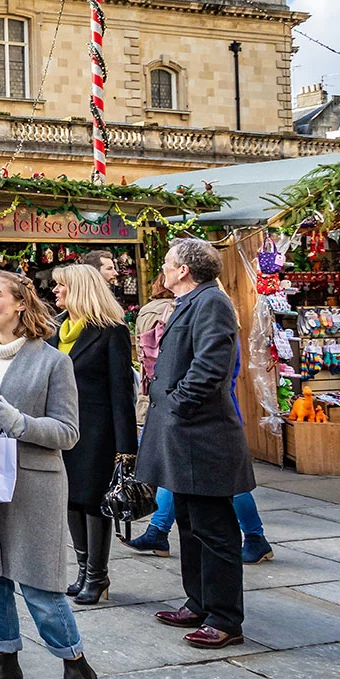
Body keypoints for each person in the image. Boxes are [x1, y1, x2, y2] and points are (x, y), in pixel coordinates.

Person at [0, 270, 100, 679]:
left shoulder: (53, 362)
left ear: (18, 304)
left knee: (40, 585)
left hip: (33, 483)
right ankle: (4, 662)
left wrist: (19, 422)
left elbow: (69, 432)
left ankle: (78, 669)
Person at [137, 238, 256, 650]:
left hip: (203, 435)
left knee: (215, 528)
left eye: (168, 264)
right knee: (189, 523)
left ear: (184, 270)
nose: (164, 271)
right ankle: (199, 601)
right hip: (182, 434)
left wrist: (177, 405)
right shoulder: (192, 302)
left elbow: (211, 365)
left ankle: (224, 618)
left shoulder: (212, 303)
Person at [49, 264, 137, 606]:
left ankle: (98, 576)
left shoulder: (110, 331)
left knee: (93, 502)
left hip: (97, 432)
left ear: (80, 290)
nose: (55, 291)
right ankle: (84, 570)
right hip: (62, 429)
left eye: (62, 287)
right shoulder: (57, 330)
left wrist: (126, 447)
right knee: (70, 500)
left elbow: (121, 393)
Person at [133, 273, 176, 425]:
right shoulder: (179, 309)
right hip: (172, 384)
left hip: (148, 382)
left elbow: (140, 352)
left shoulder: (145, 311)